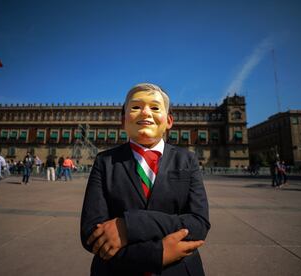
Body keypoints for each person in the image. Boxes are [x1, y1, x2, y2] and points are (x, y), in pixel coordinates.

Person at [81, 83, 210, 275]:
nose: (145, 113)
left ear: (169, 121)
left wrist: (127, 226)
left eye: (155, 107)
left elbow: (199, 223)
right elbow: (91, 234)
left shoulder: (187, 160)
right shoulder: (105, 162)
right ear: (123, 121)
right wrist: (157, 255)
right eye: (135, 107)